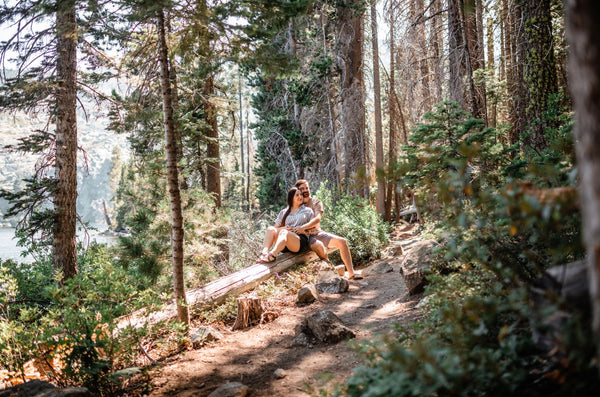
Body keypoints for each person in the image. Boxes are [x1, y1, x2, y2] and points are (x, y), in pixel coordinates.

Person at [292, 179, 362, 280]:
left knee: (342, 242)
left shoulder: (316, 202)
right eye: (302, 189)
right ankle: (333, 272)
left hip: (316, 233)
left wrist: (303, 227)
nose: (305, 190)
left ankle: (351, 273)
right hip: (302, 238)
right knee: (318, 246)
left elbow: (317, 219)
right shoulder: (296, 204)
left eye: (307, 188)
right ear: (298, 191)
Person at [258, 187, 314, 263]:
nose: (300, 197)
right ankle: (264, 253)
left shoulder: (307, 211)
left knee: (284, 232)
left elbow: (314, 230)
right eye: (297, 195)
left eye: (301, 194)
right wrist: (283, 228)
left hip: (299, 242)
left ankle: (272, 255)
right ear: (291, 198)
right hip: (284, 244)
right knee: (270, 229)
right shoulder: (284, 212)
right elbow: (275, 229)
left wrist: (301, 230)